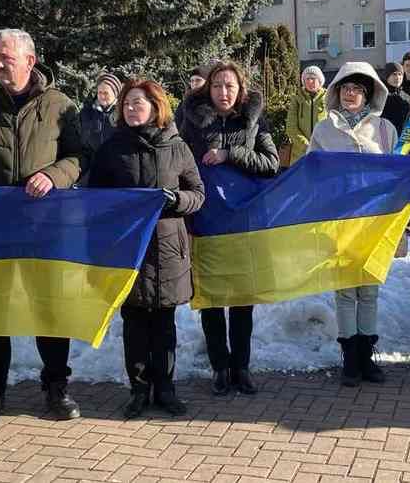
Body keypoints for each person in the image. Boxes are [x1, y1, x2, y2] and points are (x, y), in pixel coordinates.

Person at [0, 28, 84, 422]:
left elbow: (80, 156)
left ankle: (57, 389)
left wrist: (55, 175)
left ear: (30, 60)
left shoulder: (60, 105)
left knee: (50, 309)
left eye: (6, 57)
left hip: (45, 227)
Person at [89, 79, 205, 418]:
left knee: (164, 325)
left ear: (156, 107)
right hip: (128, 249)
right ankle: (138, 390)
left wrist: (177, 200)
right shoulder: (112, 149)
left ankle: (166, 389)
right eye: (126, 104)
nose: (130, 108)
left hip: (168, 248)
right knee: (135, 324)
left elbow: (198, 193)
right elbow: (96, 198)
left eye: (137, 103)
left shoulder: (177, 147)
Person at [178, 60, 279, 396]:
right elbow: (178, 164)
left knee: (241, 298)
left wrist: (230, 154)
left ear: (241, 89)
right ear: (208, 87)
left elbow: (271, 164)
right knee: (210, 297)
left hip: (243, 223)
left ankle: (242, 366)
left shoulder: (252, 120)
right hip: (205, 220)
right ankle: (220, 367)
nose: (224, 92)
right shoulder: (191, 120)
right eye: (218, 85)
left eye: (230, 86)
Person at [307, 62, 399, 387]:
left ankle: (367, 356)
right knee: (345, 291)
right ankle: (350, 359)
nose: (350, 93)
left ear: (369, 93)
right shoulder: (323, 130)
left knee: (369, 291)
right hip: (339, 221)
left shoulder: (385, 129)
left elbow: (396, 171)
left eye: (357, 88)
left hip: (373, 221)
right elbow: (311, 174)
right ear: (336, 91)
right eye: (345, 87)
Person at [78, 72, 121, 179]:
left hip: (118, 170)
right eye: (99, 92)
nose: (102, 96)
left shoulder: (123, 113)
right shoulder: (87, 113)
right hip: (92, 170)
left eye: (106, 93)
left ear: (115, 93)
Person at [284, 66, 327, 167]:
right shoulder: (296, 99)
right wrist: (306, 145)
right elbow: (291, 127)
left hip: (322, 151)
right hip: (300, 154)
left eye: (313, 78)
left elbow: (333, 125)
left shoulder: (328, 98)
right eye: (307, 79)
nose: (310, 81)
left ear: (320, 81)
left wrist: (320, 144)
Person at [381, 62, 410, 136]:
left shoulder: (406, 96)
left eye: (400, 74)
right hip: (385, 137)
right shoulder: (381, 95)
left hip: (404, 138)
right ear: (387, 76)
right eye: (394, 74)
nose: (398, 77)